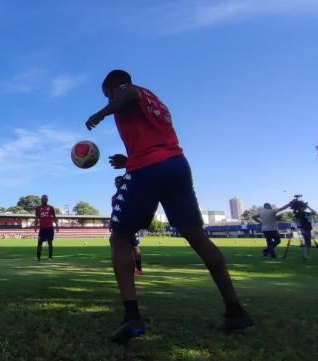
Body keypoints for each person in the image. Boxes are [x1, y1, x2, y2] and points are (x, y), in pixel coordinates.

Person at [85, 69, 252, 344]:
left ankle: (132, 317)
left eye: (108, 93)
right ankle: (235, 311)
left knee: (120, 236)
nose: (110, 98)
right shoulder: (157, 102)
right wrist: (128, 160)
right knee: (196, 235)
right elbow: (155, 144)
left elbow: (128, 94)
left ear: (112, 87)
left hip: (148, 169)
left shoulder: (127, 89)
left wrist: (100, 113)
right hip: (176, 165)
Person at [113, 176, 143, 274]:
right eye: (115, 182)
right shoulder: (114, 197)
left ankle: (138, 269)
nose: (116, 183)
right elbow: (114, 210)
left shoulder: (130, 193)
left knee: (134, 246)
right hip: (118, 224)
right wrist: (111, 222)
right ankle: (128, 268)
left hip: (131, 224)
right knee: (120, 245)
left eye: (118, 181)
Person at [34, 195, 59, 262]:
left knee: (50, 242)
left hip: (50, 228)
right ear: (41, 199)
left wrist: (57, 226)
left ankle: (50, 257)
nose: (45, 200)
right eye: (43, 198)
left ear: (47, 200)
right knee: (39, 243)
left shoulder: (51, 208)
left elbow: (54, 217)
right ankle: (38, 257)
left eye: (46, 199)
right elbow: (36, 218)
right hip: (42, 229)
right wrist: (35, 226)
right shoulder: (38, 208)